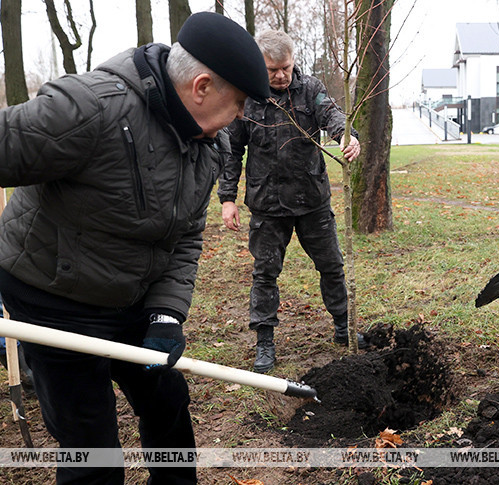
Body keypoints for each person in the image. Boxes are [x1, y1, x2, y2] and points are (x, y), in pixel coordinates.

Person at [0, 12, 269, 484]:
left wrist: (165, 313)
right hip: (53, 303)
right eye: (240, 102)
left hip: (134, 300)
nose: (242, 116)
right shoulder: (89, 108)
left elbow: (186, 235)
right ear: (201, 87)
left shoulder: (208, 145)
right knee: (92, 452)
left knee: (168, 404)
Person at [219, 29, 368, 374]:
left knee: (332, 265)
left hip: (312, 199)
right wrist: (227, 198)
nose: (281, 75)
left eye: (286, 67)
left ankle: (344, 328)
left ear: (293, 61)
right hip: (267, 205)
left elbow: (334, 117)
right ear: (261, 66)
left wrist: (348, 138)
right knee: (265, 274)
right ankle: (265, 342)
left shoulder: (311, 89)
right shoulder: (247, 98)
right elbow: (232, 151)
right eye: (273, 70)